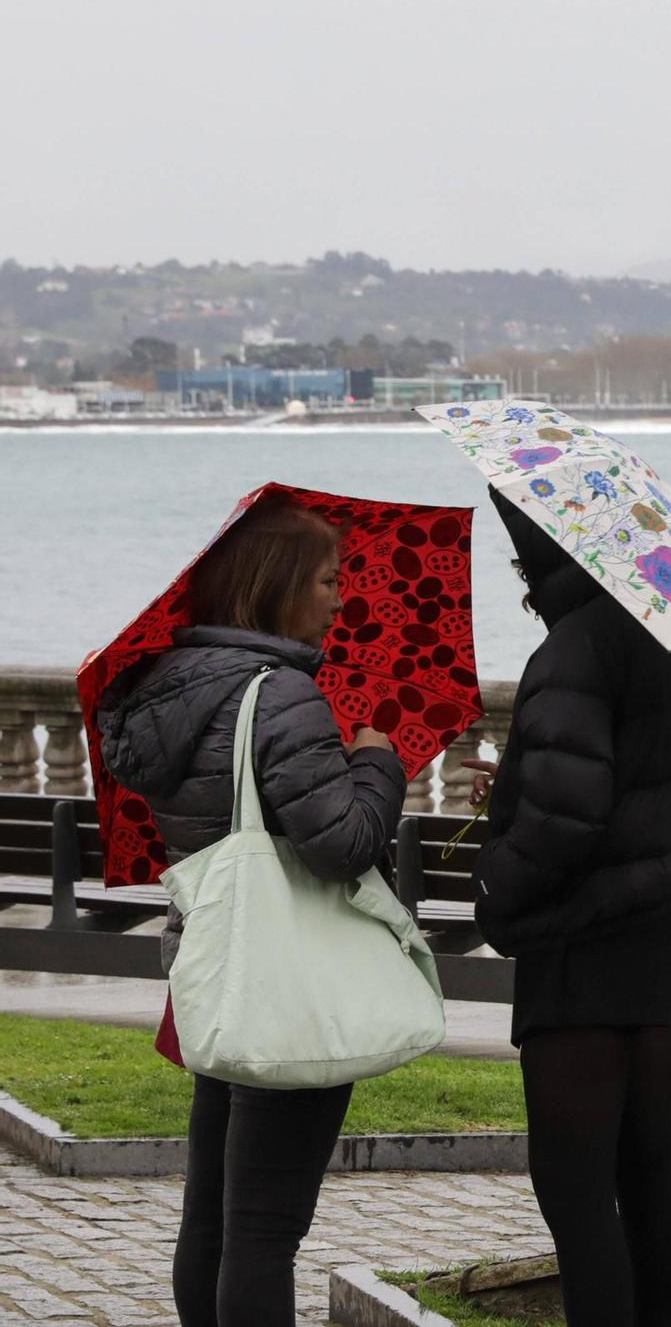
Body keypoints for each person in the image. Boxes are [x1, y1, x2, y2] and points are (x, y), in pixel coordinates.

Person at [97, 505, 407, 1326]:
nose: (338, 599)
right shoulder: (282, 695)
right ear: (279, 587)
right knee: (264, 1230)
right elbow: (342, 843)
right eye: (328, 580)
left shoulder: (174, 688)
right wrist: (377, 765)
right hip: (288, 984)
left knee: (212, 1216)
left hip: (218, 969)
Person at [465, 489, 671, 1325]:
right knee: (646, 1170)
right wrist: (520, 774)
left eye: (524, 568)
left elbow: (565, 819)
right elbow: (638, 778)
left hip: (586, 951)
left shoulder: (572, 651)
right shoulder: (668, 638)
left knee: (574, 1186)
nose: (523, 587)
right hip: (662, 932)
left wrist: (493, 884)